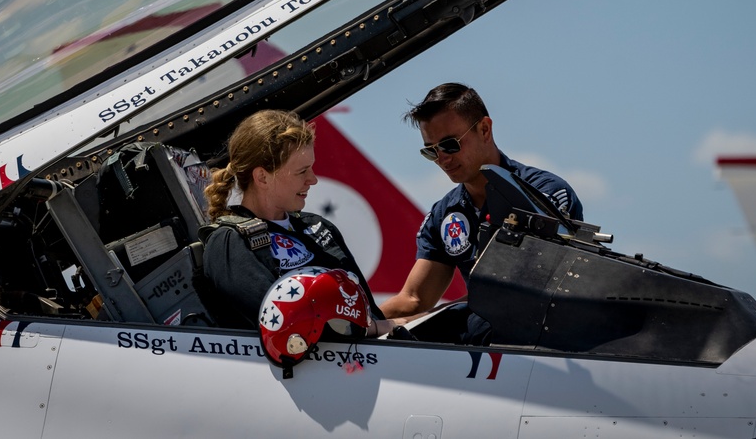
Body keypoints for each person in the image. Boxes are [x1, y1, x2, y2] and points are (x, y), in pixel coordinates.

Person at [379, 83, 583, 323]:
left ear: (485, 129)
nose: (442, 159)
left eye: (450, 145)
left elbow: (516, 291)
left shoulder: (544, 194)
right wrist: (357, 318)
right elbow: (413, 299)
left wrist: (424, 320)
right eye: (431, 151)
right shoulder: (444, 214)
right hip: (490, 348)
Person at [200, 109, 400, 338]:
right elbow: (290, 326)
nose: (312, 179)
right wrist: (373, 329)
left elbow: (367, 311)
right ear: (262, 177)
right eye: (302, 171)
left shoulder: (317, 227)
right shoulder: (229, 244)